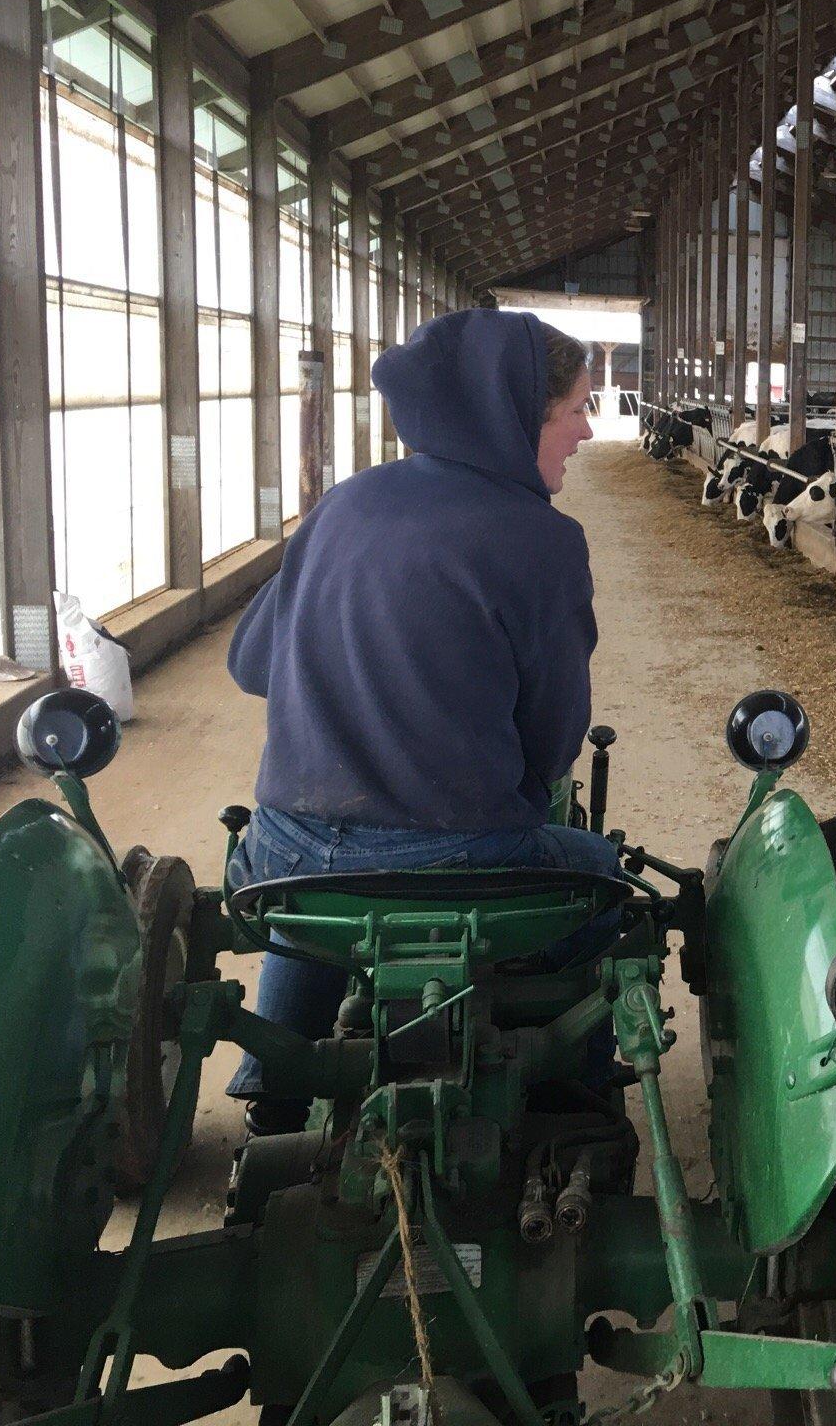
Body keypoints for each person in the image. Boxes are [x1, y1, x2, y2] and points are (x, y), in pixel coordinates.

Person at [225, 308, 617, 1123]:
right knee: (605, 883)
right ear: (512, 419)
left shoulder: (344, 505)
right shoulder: (542, 540)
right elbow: (551, 749)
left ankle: (276, 1084)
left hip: (284, 853)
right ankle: (579, 1095)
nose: (587, 429)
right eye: (575, 409)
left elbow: (250, 663)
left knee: (315, 904)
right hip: (459, 861)